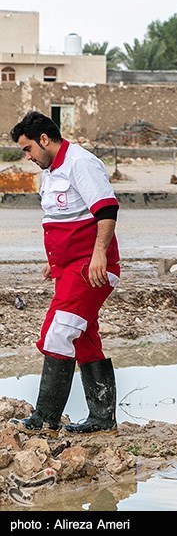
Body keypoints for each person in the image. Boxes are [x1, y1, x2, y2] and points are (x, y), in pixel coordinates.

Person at [8, 110, 122, 436]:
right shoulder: (51, 170)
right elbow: (64, 218)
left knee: (59, 331)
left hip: (91, 268)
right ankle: (102, 420)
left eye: (28, 148)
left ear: (44, 140)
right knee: (83, 339)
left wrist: (99, 253)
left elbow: (106, 209)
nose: (27, 156)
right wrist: (54, 260)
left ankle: (45, 420)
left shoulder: (80, 163)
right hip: (69, 268)